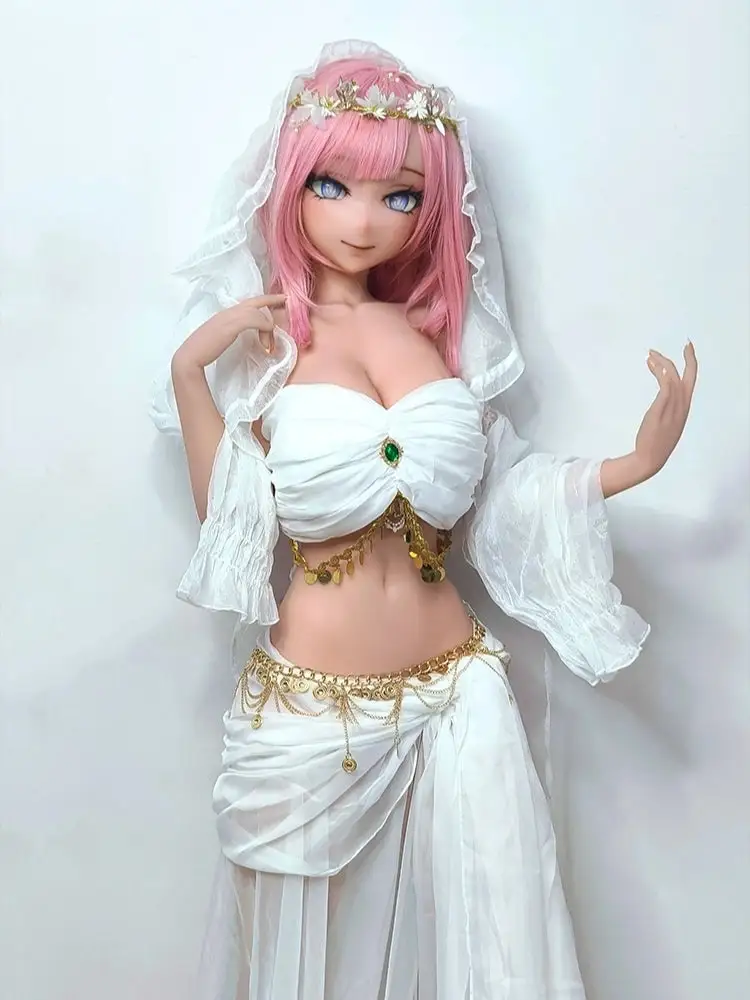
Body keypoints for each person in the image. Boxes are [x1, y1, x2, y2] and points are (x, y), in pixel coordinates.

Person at [152, 39, 697, 1000]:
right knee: (301, 959)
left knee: (496, 942)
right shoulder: (268, 346)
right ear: (288, 185)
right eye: (331, 185)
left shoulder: (439, 338)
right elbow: (227, 521)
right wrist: (190, 372)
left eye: (399, 196)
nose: (363, 221)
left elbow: (502, 491)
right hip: (311, 714)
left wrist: (634, 464)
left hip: (461, 694)